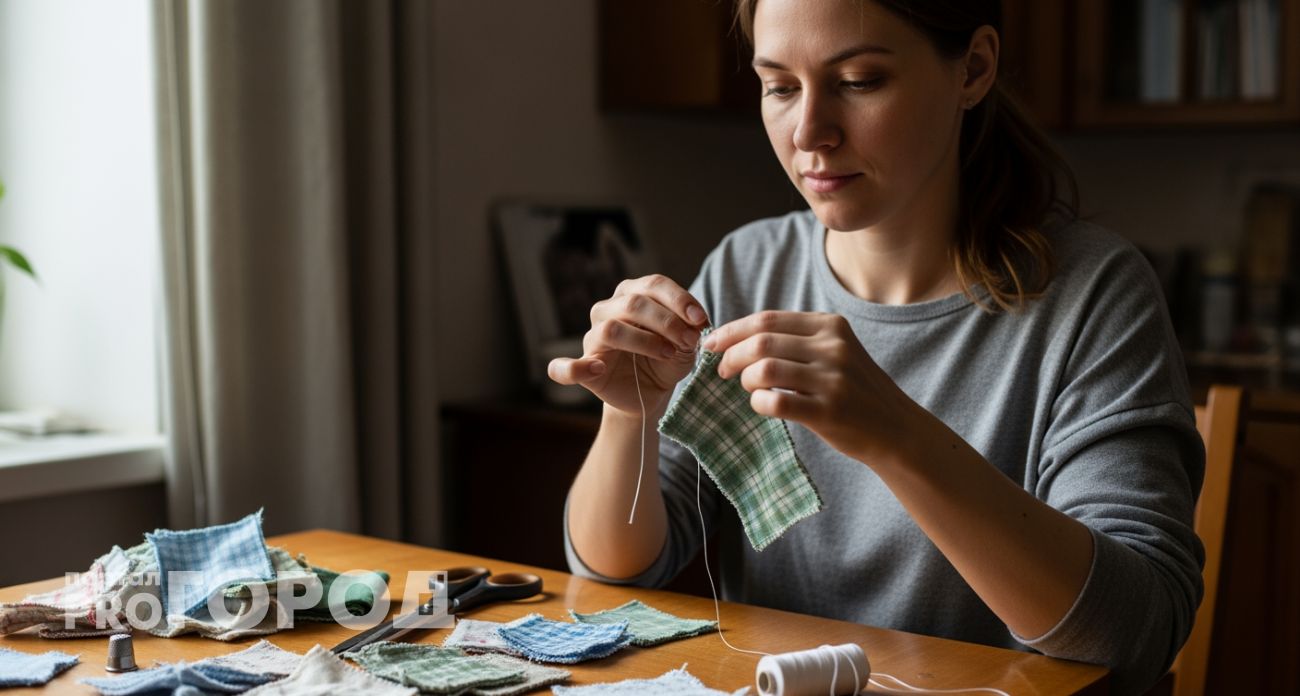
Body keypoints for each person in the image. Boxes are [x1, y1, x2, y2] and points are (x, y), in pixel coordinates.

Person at [548, 1, 1204, 693]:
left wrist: (893, 433)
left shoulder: (1094, 294)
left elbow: (1136, 633)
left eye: (859, 81)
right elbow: (618, 568)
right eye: (779, 86)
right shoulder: (747, 268)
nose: (810, 132)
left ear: (973, 69)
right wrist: (631, 417)